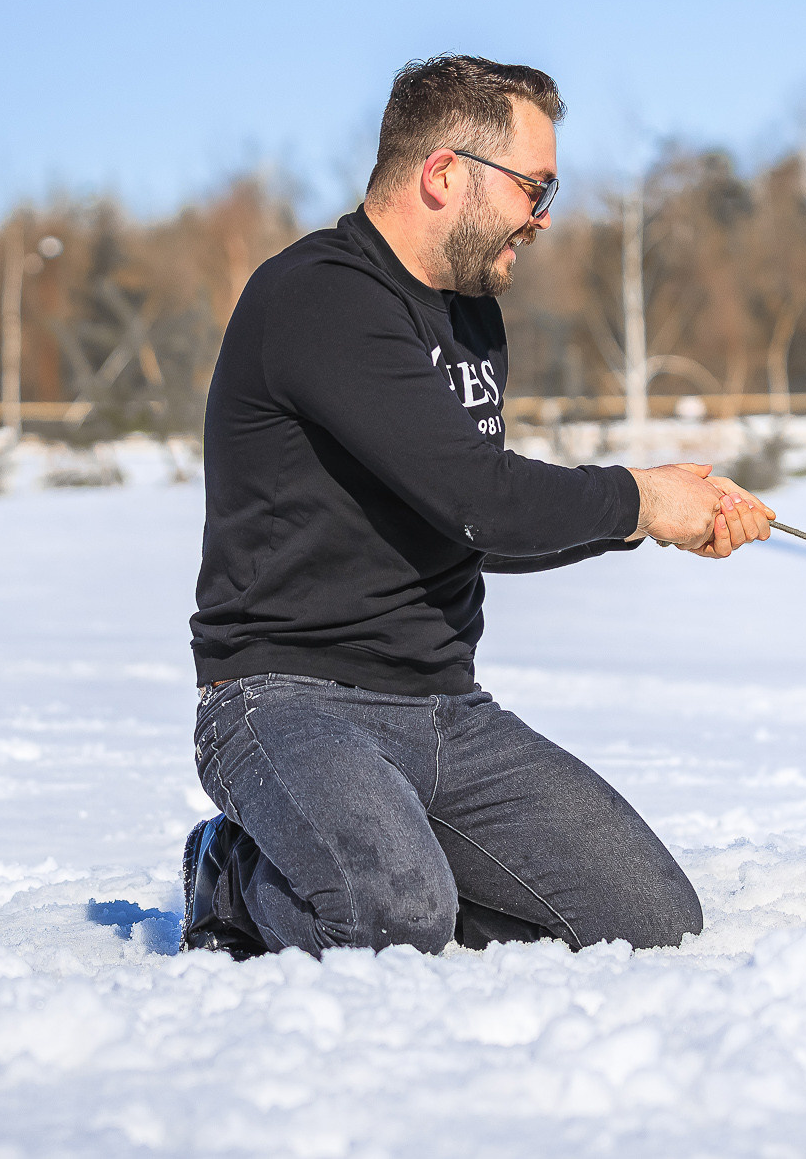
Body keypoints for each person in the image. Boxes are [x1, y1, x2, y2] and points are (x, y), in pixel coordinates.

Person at [181, 55, 773, 959]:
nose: (542, 220)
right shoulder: (320, 297)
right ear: (443, 172)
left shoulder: (470, 317)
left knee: (653, 925)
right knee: (390, 919)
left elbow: (475, 528)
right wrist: (642, 500)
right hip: (286, 700)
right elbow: (478, 500)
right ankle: (233, 871)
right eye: (534, 189)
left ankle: (395, 851)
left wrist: (645, 509)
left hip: (447, 712)